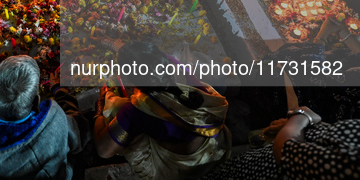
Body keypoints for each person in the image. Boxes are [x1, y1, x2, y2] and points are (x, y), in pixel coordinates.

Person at [93, 41, 231, 179]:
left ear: (129, 81)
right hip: (217, 149)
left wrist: (100, 108)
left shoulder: (139, 109)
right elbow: (153, 57)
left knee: (114, 106)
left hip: (186, 169)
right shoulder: (181, 71)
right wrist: (120, 47)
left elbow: (103, 151)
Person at [203, 106, 359, 179]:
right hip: (262, 154)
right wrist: (303, 126)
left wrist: (301, 116)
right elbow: (338, 138)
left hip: (259, 171)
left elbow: (286, 152)